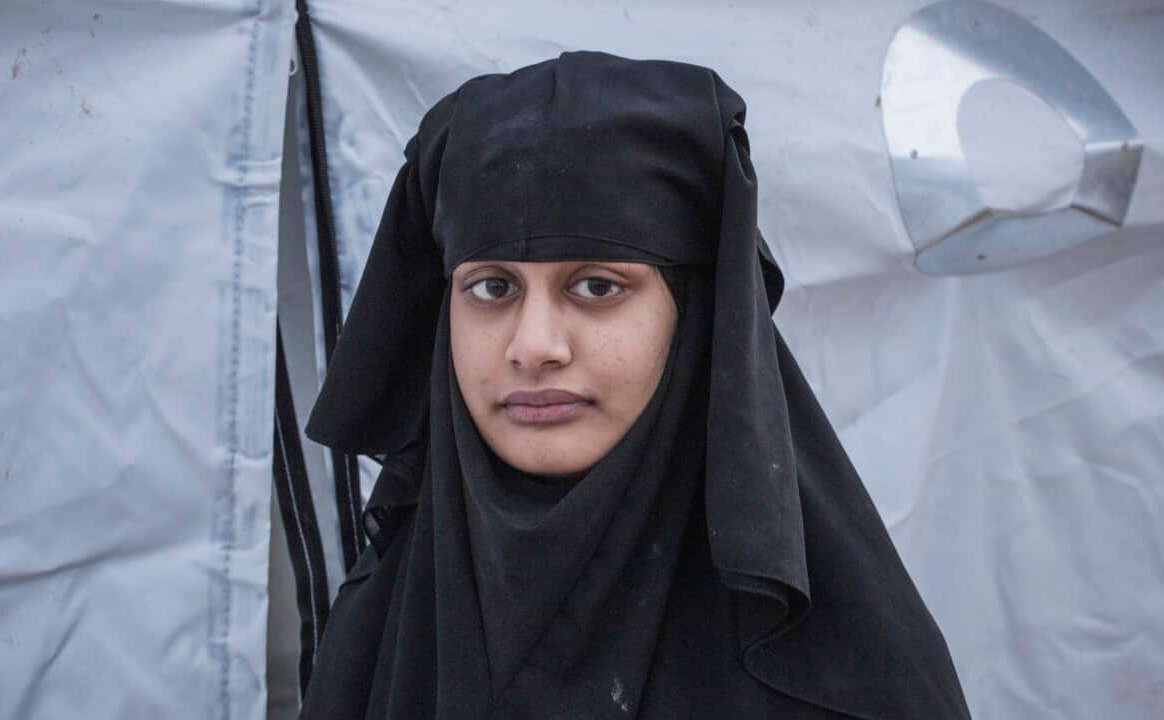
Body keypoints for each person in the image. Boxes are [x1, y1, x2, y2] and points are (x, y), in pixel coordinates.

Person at [300, 51, 971, 719]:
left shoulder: (849, 676)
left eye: (597, 287)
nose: (534, 347)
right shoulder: (376, 632)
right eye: (491, 287)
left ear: (696, 316)